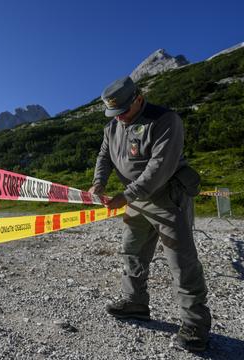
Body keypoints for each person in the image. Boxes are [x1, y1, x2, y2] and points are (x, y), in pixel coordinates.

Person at [89, 76, 211, 352]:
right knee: (132, 251)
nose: (119, 118)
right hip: (135, 200)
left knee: (181, 260)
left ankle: (195, 325)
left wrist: (125, 195)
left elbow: (159, 168)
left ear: (139, 99)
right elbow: (104, 156)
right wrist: (99, 181)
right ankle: (135, 303)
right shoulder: (112, 127)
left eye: (123, 111)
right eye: (114, 113)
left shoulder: (165, 120)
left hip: (167, 197)